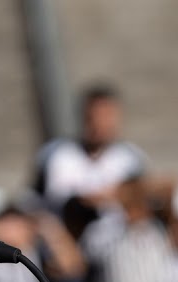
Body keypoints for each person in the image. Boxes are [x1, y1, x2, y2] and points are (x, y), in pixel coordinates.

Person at [34, 82, 148, 241]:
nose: (100, 123)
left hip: (119, 243)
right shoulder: (57, 155)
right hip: (67, 241)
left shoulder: (130, 157)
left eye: (107, 116)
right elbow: (36, 205)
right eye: (94, 116)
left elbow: (142, 204)